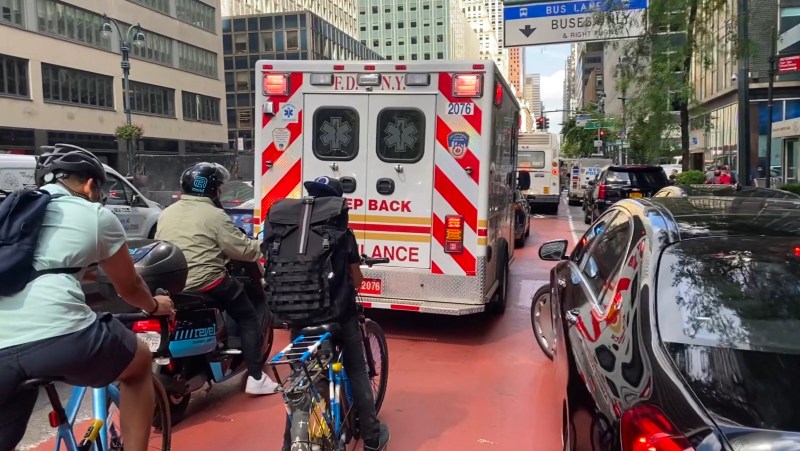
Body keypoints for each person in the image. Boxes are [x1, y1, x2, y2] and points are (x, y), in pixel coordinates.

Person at [0, 144, 175, 451]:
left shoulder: (9, 214)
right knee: (139, 363)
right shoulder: (94, 214)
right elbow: (129, 286)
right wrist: (153, 305)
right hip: (65, 336)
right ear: (91, 184)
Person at [280, 176, 390, 451]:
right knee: (356, 369)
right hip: (337, 317)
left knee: (302, 378)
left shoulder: (287, 231)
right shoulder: (341, 233)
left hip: (297, 317)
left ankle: (288, 443)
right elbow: (356, 280)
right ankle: (373, 437)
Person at [155, 162, 279, 395]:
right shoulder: (214, 214)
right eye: (219, 188)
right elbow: (244, 251)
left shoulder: (167, 212)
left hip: (173, 286)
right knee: (248, 317)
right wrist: (264, 245)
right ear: (212, 190)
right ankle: (255, 377)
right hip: (207, 282)